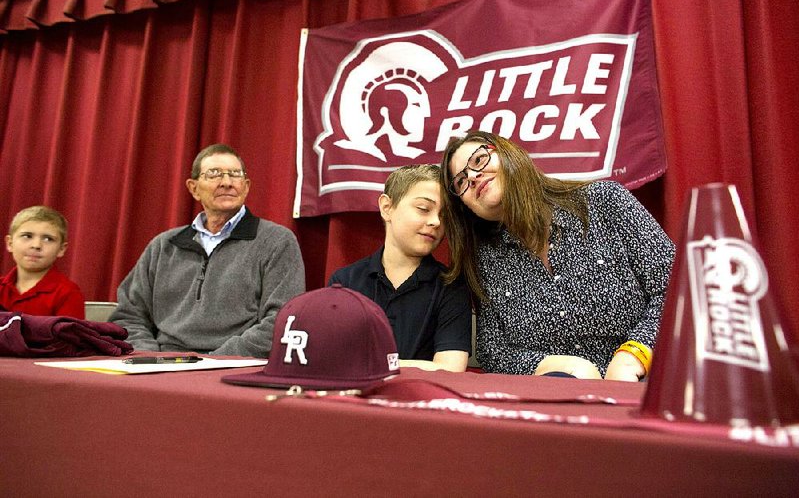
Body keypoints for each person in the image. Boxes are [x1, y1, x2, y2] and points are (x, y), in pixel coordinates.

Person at [440, 131, 675, 381]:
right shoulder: (483, 259)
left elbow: (678, 290)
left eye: (478, 160)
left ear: (508, 153)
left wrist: (633, 355)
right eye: (461, 182)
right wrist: (555, 365)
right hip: (558, 401)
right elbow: (493, 352)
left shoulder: (604, 202)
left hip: (651, 383)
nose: (474, 177)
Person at [110, 144, 305, 357]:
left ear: (246, 186)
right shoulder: (163, 246)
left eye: (235, 174)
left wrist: (212, 361)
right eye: (214, 174)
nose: (227, 183)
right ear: (194, 188)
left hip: (232, 366)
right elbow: (129, 316)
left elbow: (282, 320)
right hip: (162, 364)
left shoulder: (277, 241)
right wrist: (149, 358)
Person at [329, 164, 472, 372]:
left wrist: (371, 363)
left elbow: (451, 367)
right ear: (387, 207)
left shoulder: (451, 285)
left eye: (444, 216)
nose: (435, 222)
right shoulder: (345, 281)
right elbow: (330, 358)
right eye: (423, 209)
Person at [1, 206, 85, 318]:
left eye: (48, 239)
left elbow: (69, 335)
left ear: (61, 249)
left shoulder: (68, 293)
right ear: (10, 243)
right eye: (27, 236)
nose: (36, 245)